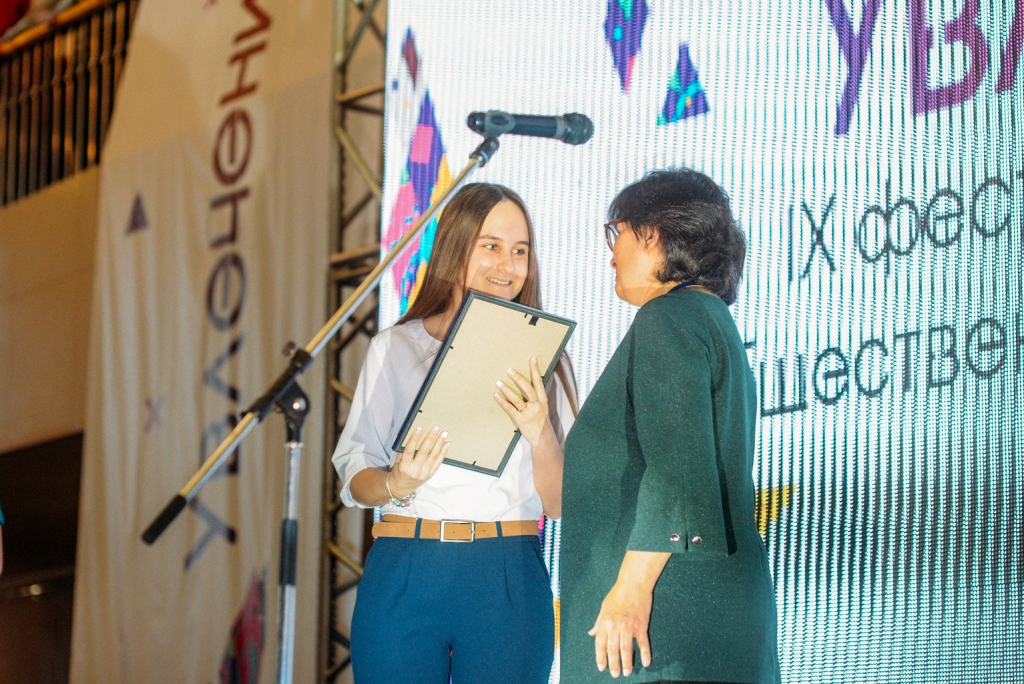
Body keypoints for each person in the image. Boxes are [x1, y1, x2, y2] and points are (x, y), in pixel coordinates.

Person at [332, 182, 578, 684]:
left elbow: (560, 504)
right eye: (491, 246)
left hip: (506, 571)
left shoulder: (550, 363)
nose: (507, 265)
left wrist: (539, 434)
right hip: (406, 565)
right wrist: (396, 483)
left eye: (520, 251)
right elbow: (354, 476)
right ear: (454, 248)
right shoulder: (395, 347)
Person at [559, 169, 781, 684]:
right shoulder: (709, 319)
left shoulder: (668, 317)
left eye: (617, 233)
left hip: (665, 625)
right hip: (707, 615)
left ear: (653, 235)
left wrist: (631, 591)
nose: (611, 255)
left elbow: (676, 470)